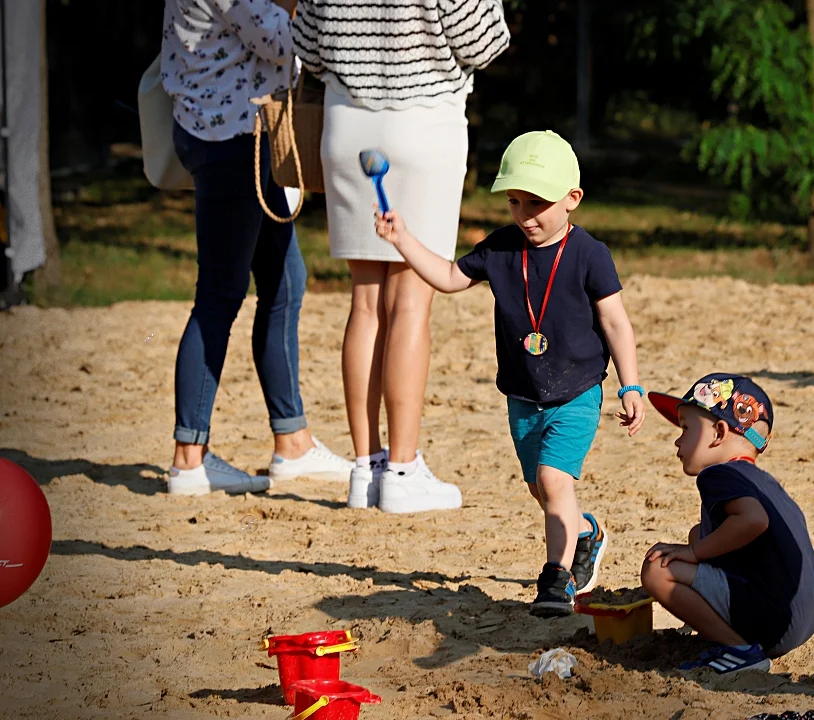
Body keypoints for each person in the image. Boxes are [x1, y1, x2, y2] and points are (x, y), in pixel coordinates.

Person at [374, 130, 646, 615]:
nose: (524, 215)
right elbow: (449, 279)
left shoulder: (590, 254)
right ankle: (587, 533)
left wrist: (631, 385)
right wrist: (402, 240)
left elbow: (615, 322)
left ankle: (556, 581)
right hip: (522, 394)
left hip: (577, 391)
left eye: (536, 203)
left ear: (572, 200)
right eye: (515, 202)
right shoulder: (501, 248)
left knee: (555, 479)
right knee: (540, 489)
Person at [291, 0, 511, 512]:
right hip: (423, 122)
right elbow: (484, 43)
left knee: (366, 303)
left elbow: (308, 48)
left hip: (347, 127)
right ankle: (403, 469)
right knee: (410, 303)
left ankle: (365, 467)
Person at [161, 0, 352, 495]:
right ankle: (189, 458)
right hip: (233, 139)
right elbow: (282, 42)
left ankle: (292, 441)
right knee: (220, 295)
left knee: (285, 282)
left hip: (234, 132)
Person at [642, 374, 814, 675]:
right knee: (699, 534)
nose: (677, 439)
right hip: (805, 614)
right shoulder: (765, 481)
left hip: (773, 619)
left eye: (686, 428)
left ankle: (740, 650)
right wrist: (697, 545)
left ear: (718, 433)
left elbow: (754, 521)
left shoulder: (718, 474)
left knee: (658, 569)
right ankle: (715, 619)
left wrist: (695, 554)